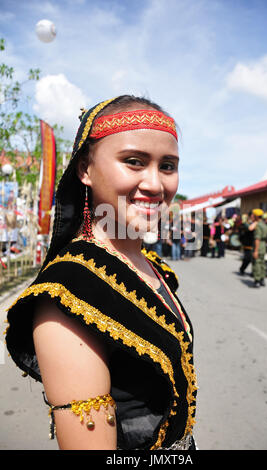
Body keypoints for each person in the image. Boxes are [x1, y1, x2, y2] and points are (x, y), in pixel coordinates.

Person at [5, 96, 197, 450]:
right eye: (134, 162)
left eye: (167, 166)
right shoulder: (68, 295)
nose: (155, 184)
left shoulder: (153, 266)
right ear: (85, 170)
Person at [252, 208, 267, 287]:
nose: (252, 216)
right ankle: (262, 279)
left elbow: (257, 238)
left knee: (257, 263)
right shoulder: (265, 224)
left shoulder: (258, 225)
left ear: (256, 216)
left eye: (253, 215)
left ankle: (257, 280)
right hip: (264, 245)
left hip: (259, 245)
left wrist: (255, 250)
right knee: (262, 263)